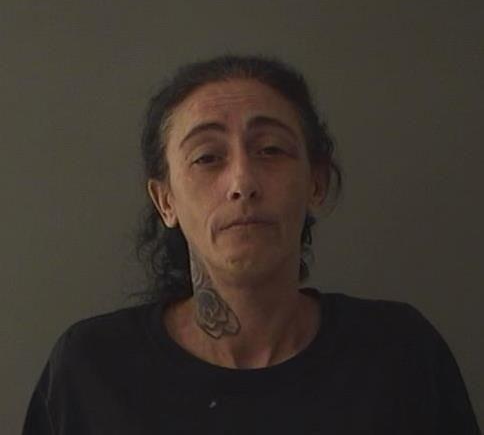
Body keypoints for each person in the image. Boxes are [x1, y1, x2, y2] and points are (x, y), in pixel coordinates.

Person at [22, 55, 481, 434]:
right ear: (165, 201)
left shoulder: (399, 355)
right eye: (207, 157)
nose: (242, 182)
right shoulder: (92, 369)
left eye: (271, 150)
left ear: (316, 183)